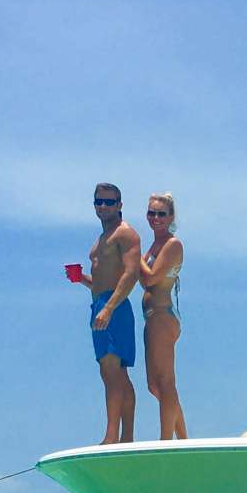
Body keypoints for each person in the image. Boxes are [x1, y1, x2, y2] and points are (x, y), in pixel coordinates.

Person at [72, 182, 141, 444]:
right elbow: (103, 280)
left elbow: (131, 273)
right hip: (100, 304)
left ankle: (115, 435)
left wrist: (110, 308)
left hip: (115, 307)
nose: (103, 206)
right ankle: (123, 437)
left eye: (109, 202)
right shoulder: (100, 239)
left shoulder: (126, 234)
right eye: (98, 201)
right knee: (112, 373)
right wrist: (82, 280)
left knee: (113, 371)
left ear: (120, 205)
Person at [139, 191, 187, 440]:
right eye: (151, 212)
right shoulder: (153, 246)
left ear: (170, 217)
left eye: (161, 213)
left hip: (162, 315)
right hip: (151, 316)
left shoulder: (172, 244)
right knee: (155, 385)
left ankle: (167, 439)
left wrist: (133, 255)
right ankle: (183, 438)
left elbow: (150, 278)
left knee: (166, 381)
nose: (155, 218)